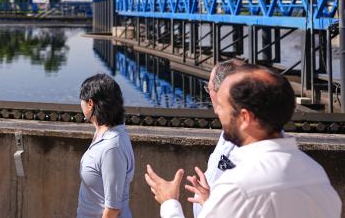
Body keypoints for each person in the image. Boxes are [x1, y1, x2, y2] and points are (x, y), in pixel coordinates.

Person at [144, 65, 342, 218]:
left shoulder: (239, 186)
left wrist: (170, 202)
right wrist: (212, 203)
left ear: (245, 117)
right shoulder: (315, 174)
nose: (217, 111)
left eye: (222, 106)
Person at [190, 59, 245, 217]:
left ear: (222, 92)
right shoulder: (228, 130)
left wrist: (170, 203)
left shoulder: (247, 141)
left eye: (209, 89)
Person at [77, 74, 135, 218]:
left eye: (82, 100)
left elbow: (113, 209)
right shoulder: (103, 132)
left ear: (90, 103)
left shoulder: (112, 147)